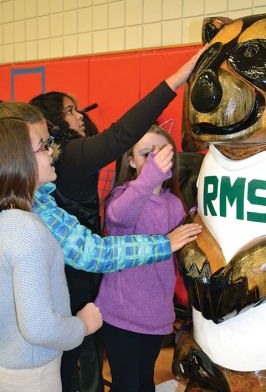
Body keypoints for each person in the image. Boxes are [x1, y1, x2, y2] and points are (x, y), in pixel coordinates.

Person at [29, 48, 205, 392]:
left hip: (133, 309)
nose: (79, 115)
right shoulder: (79, 168)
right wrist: (179, 78)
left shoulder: (45, 198)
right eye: (41, 145)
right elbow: (99, 246)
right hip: (91, 299)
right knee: (81, 369)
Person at [0, 116, 103, 392]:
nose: (51, 152)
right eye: (43, 147)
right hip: (31, 374)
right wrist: (82, 325)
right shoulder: (26, 229)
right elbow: (39, 327)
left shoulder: (8, 222)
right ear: (20, 162)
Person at [96, 124, 198, 392]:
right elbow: (119, 216)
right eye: (146, 155)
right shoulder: (122, 196)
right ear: (130, 162)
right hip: (120, 315)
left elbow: (182, 251)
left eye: (162, 155)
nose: (155, 162)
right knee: (127, 384)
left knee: (144, 382)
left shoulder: (173, 203)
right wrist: (148, 179)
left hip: (156, 315)